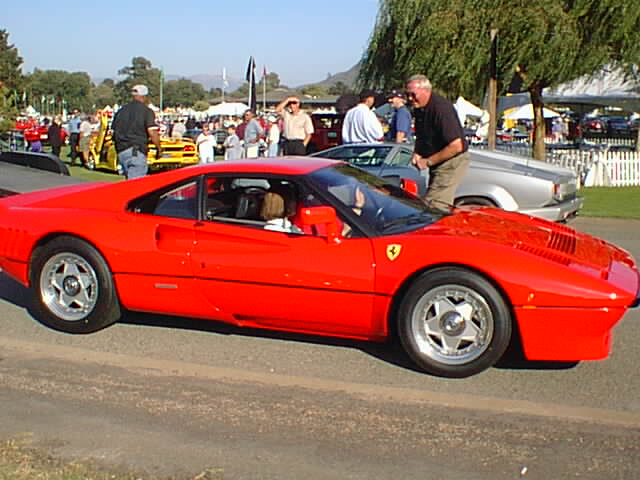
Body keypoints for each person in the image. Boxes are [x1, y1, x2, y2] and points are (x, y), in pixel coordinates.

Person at [406, 74, 469, 206]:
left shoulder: (441, 109)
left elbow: (456, 146)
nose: (410, 98)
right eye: (408, 94)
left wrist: (428, 161)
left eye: (413, 94)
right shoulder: (419, 108)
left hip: (451, 161)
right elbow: (423, 135)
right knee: (432, 203)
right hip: (438, 162)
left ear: (426, 91)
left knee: (434, 206)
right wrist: (418, 152)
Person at [111, 84, 162, 180]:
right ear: (144, 97)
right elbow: (152, 132)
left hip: (121, 151)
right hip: (136, 151)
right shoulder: (147, 111)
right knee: (136, 185)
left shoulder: (121, 111)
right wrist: (159, 148)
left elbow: (113, 132)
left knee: (129, 180)